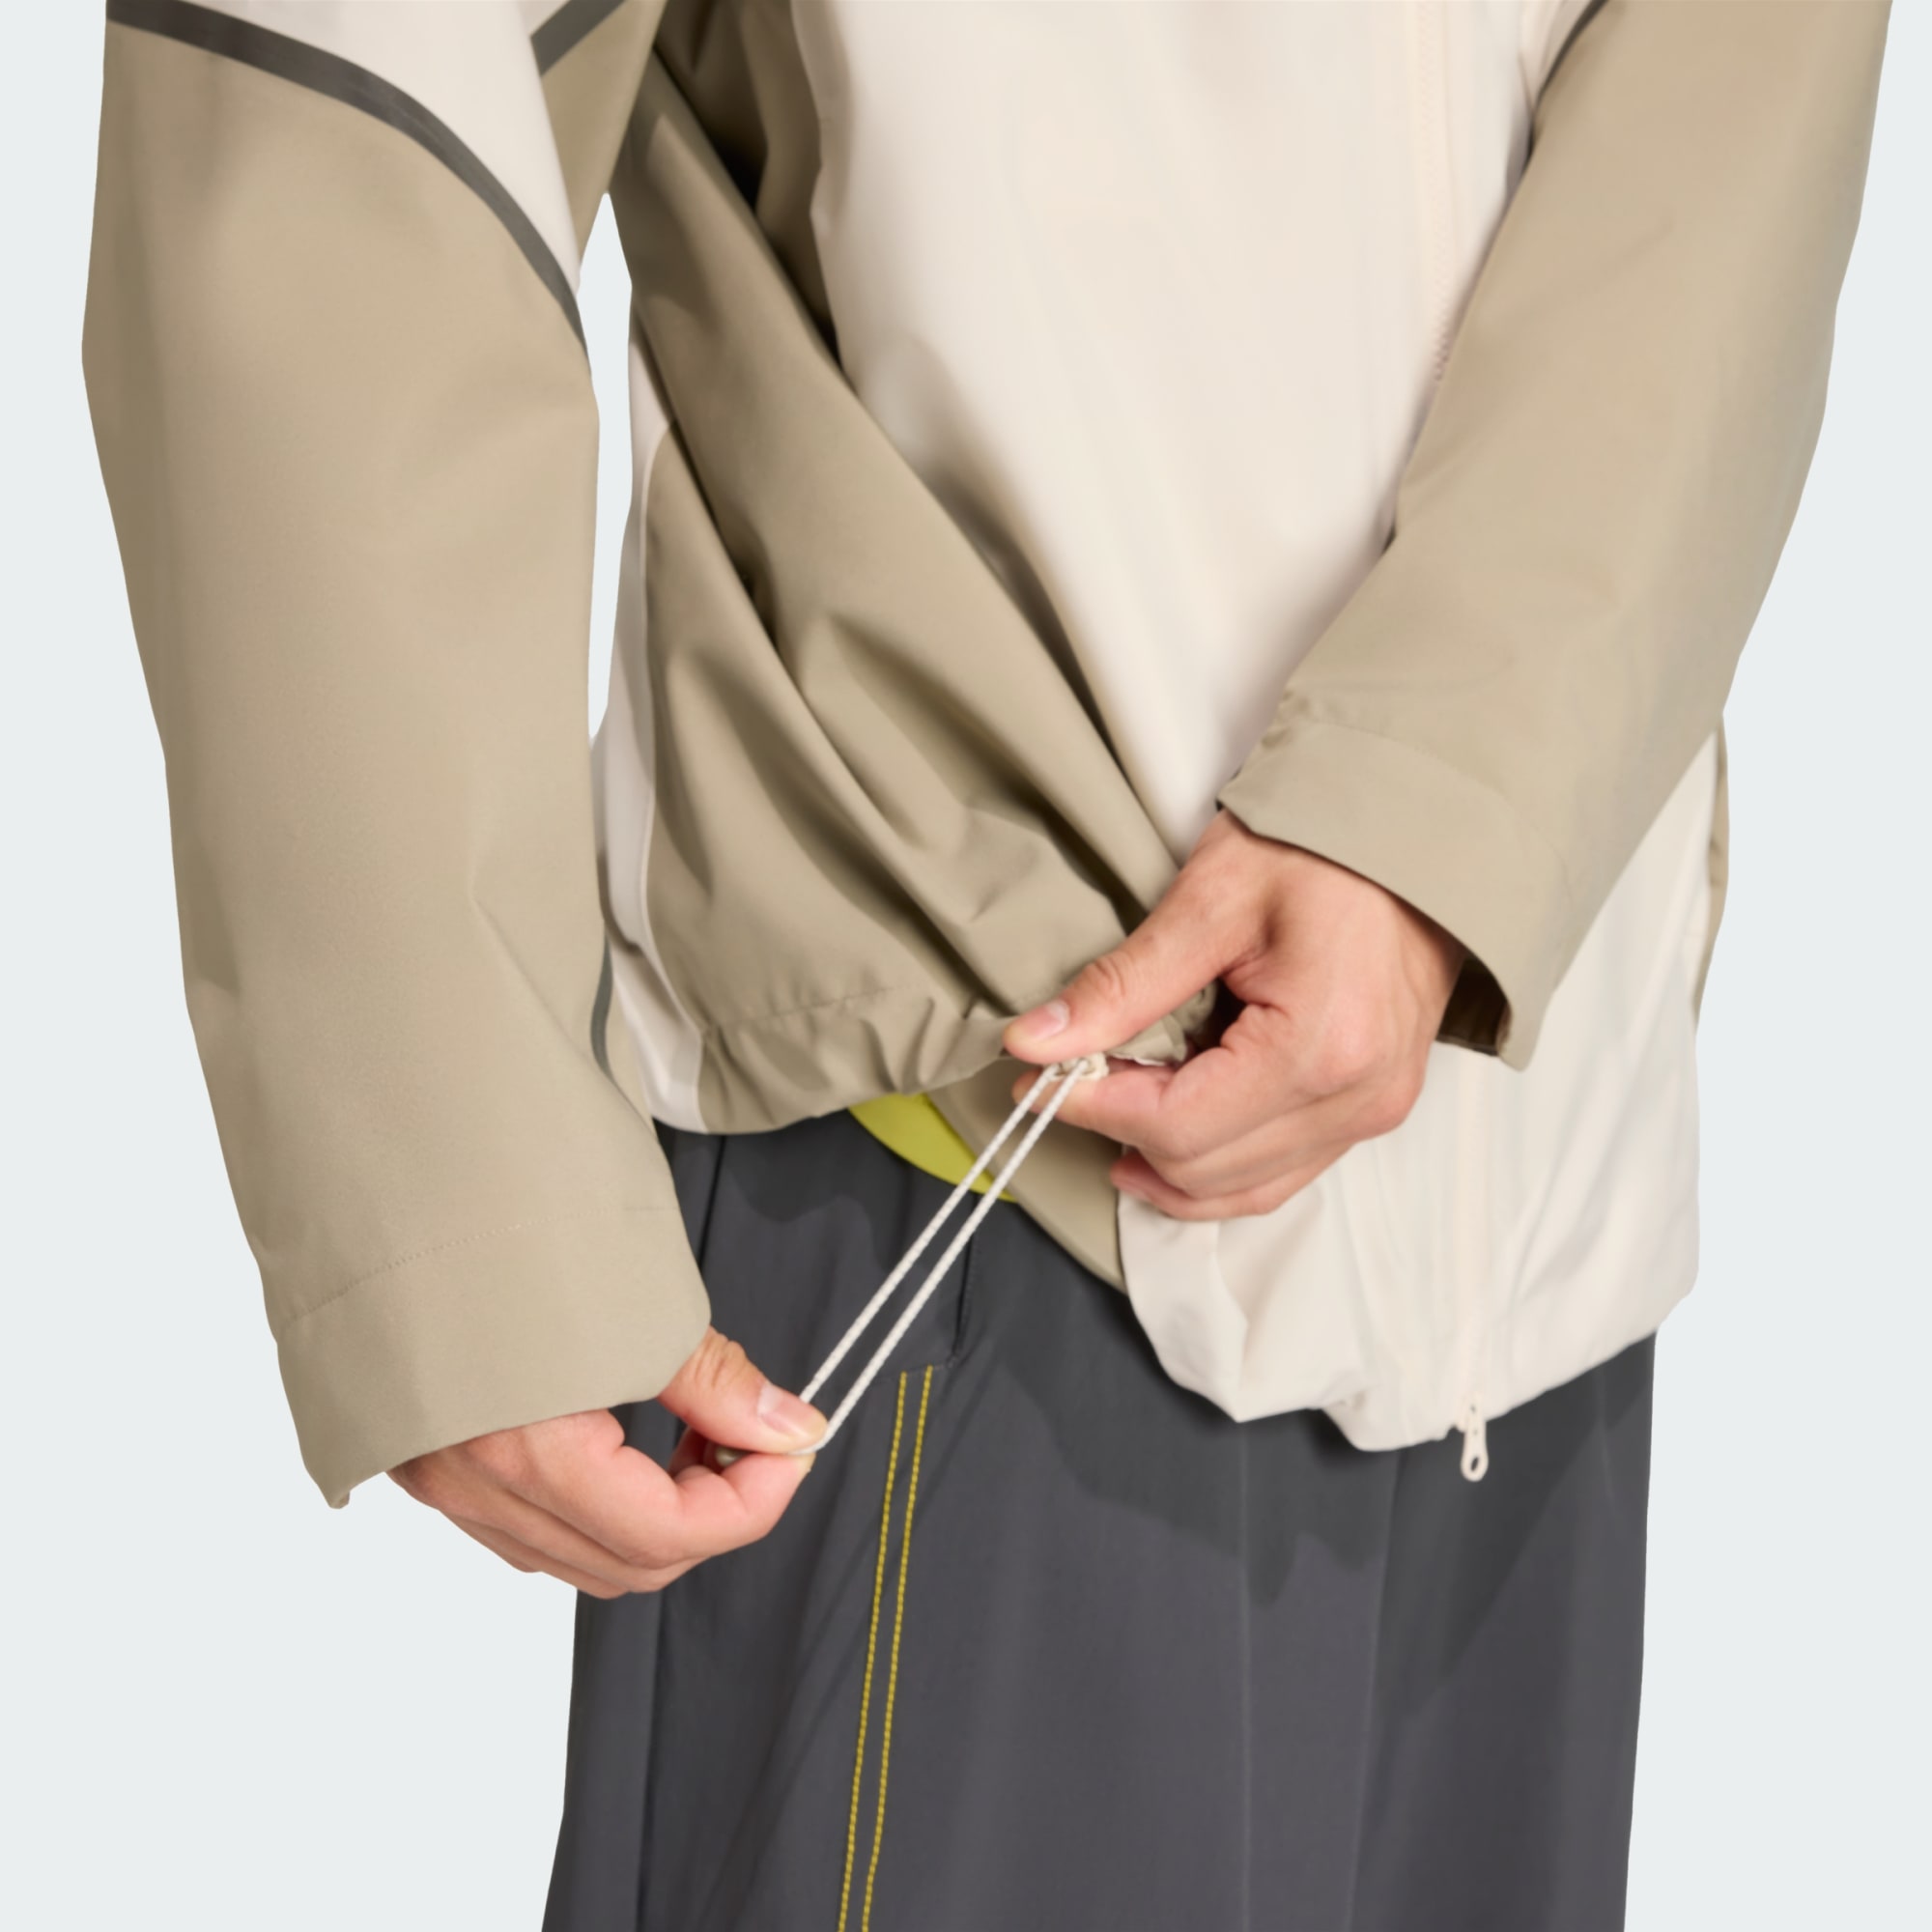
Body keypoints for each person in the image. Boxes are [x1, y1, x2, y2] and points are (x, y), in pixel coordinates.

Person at [85, 1, 1889, 1926]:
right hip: (962, 1169)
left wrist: (1461, 806)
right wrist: (455, 1184)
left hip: (1528, 1183)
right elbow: (349, 100)